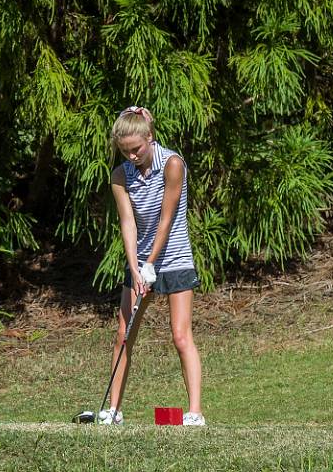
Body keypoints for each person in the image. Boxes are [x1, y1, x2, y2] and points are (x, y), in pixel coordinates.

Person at [99, 105, 205, 426]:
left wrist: (150, 263)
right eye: (125, 150)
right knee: (123, 334)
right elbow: (128, 222)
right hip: (140, 262)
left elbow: (166, 218)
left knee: (180, 335)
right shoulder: (120, 175)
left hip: (173, 258)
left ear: (150, 136)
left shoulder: (172, 164)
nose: (131, 156)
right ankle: (113, 411)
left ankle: (195, 413)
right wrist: (135, 266)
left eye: (137, 149)